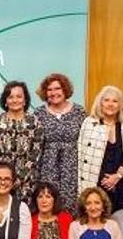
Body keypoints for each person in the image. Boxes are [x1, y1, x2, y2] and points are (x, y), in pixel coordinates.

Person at [34, 73, 87, 216]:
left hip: (72, 165)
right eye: (49, 90)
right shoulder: (38, 113)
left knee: (71, 203)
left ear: (65, 90)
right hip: (47, 165)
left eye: (57, 88)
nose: (53, 93)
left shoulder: (79, 111)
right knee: (48, 201)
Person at [78, 85, 123, 211]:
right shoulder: (89, 123)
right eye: (106, 100)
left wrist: (117, 177)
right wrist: (106, 181)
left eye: (115, 101)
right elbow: (83, 157)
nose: (110, 104)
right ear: (100, 103)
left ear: (120, 105)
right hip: (95, 183)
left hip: (121, 184)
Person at [0, 81, 43, 204]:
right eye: (10, 97)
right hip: (1, 181)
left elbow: (35, 154)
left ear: (25, 100)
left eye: (19, 96)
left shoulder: (34, 122)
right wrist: (6, 179)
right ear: (5, 101)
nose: (15, 100)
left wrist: (20, 179)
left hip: (27, 182)